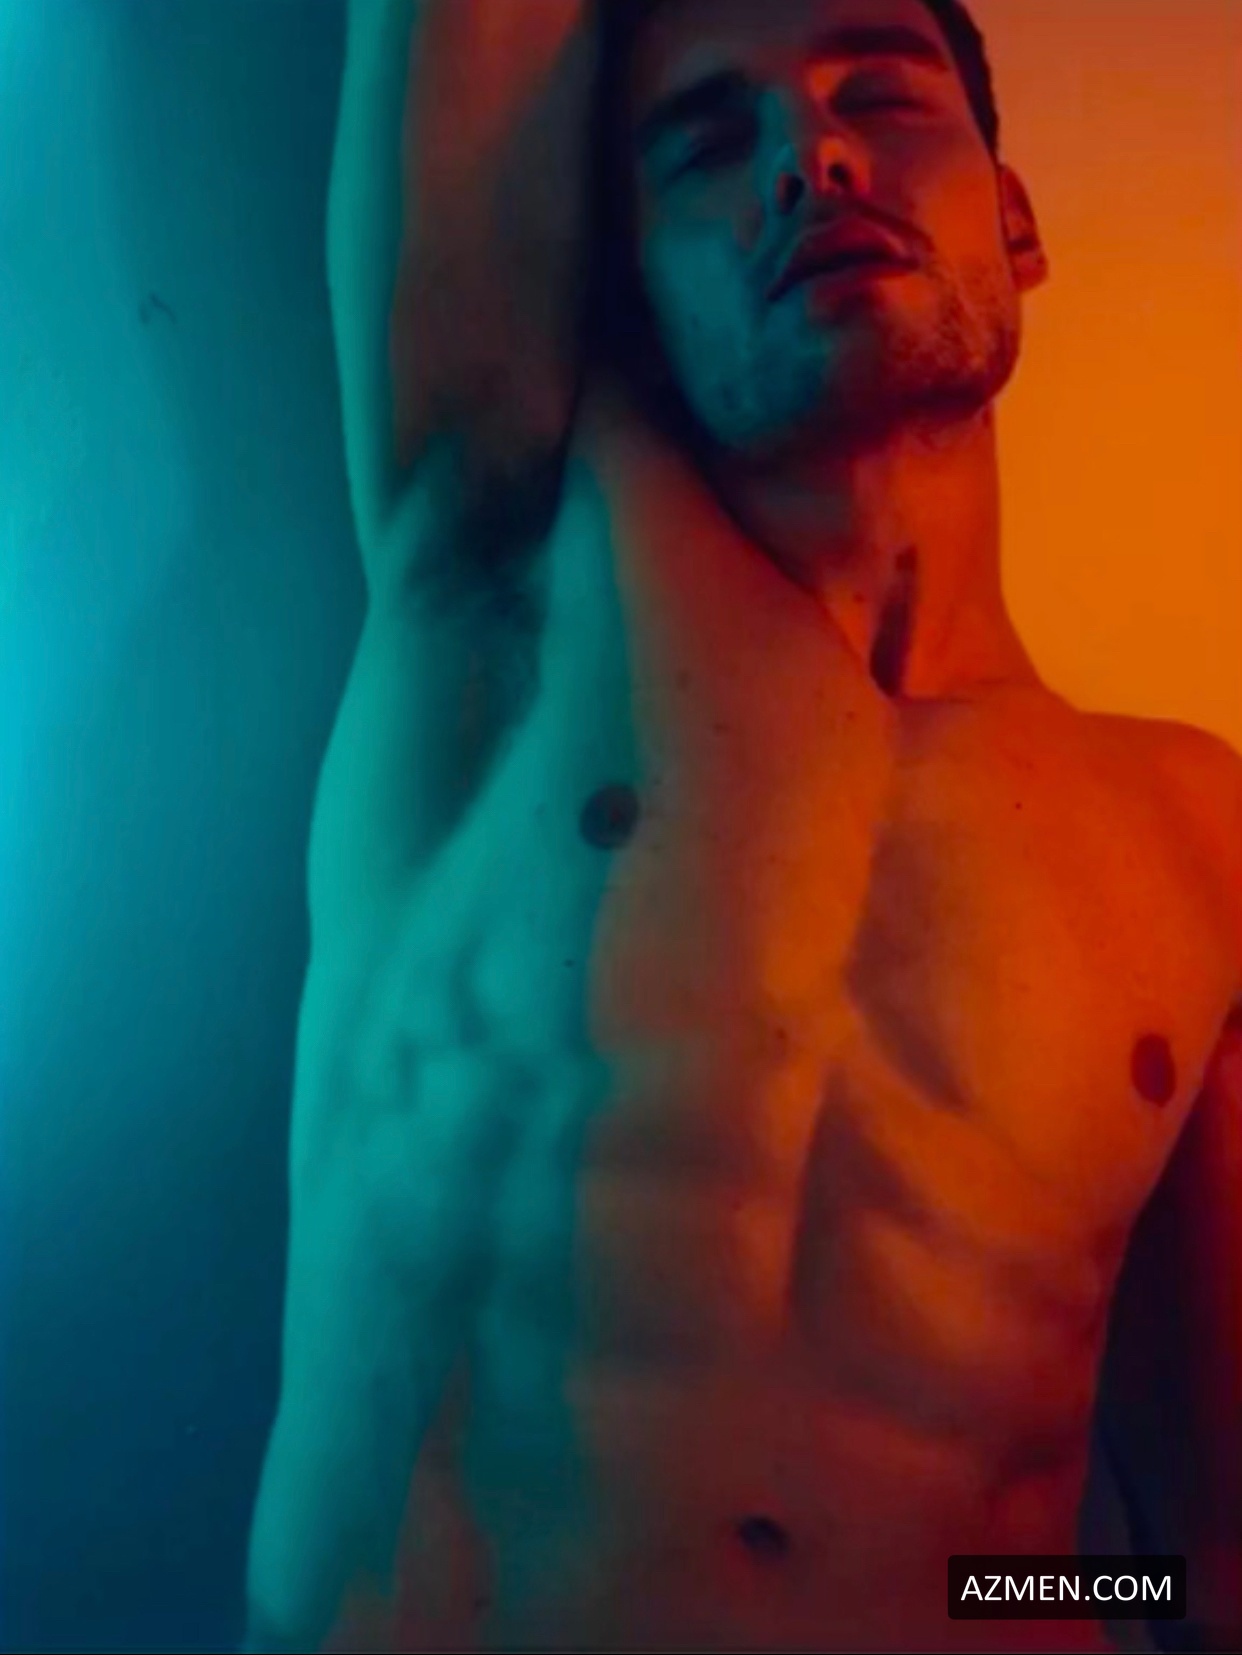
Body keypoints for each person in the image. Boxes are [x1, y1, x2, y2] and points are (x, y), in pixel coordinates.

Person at [243, 1, 1242, 1649]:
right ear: (637, 289)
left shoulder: (1195, 835)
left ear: (1013, 220)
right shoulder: (502, 577)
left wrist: (993, 1600)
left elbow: (1203, 1563)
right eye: (708, 144)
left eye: (882, 97)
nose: (812, 155)